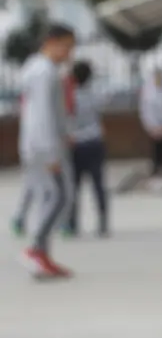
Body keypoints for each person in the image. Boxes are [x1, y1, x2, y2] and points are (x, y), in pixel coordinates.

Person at [16, 23, 77, 278]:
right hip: (43, 147)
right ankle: (35, 249)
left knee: (49, 198)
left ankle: (42, 255)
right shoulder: (44, 73)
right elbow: (42, 115)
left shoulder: (38, 69)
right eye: (67, 47)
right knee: (59, 197)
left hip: (38, 144)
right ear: (52, 42)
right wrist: (52, 151)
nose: (69, 54)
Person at [64, 60, 109, 237]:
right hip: (94, 140)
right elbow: (103, 107)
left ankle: (72, 223)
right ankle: (103, 222)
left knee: (74, 186)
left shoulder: (69, 95)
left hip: (76, 143)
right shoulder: (95, 93)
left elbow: (65, 117)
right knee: (98, 184)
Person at [139, 67, 162, 184]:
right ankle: (157, 171)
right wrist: (153, 127)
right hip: (155, 128)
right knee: (157, 150)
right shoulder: (149, 94)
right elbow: (146, 112)